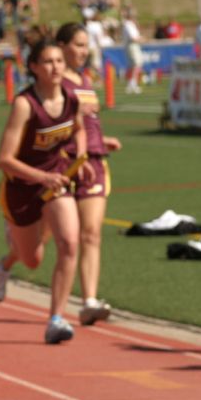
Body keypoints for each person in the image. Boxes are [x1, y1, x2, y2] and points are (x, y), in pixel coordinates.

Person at [0, 39, 92, 344]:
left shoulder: (72, 99)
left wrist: (80, 157)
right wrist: (42, 177)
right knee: (32, 259)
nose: (56, 67)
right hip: (22, 188)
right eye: (48, 62)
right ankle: (7, 262)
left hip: (57, 183)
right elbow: (4, 160)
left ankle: (56, 318)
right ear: (34, 67)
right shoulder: (25, 105)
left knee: (70, 244)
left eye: (59, 61)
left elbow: (79, 129)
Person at [56, 22, 122, 326]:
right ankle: (10, 260)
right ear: (62, 46)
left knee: (91, 233)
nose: (83, 51)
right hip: (62, 165)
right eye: (78, 44)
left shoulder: (85, 80)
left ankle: (89, 301)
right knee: (39, 243)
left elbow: (89, 124)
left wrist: (101, 141)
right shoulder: (54, 83)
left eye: (86, 45)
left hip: (94, 163)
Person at [121, 11, 143, 94]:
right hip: (132, 46)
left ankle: (132, 83)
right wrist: (141, 39)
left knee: (134, 65)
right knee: (136, 64)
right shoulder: (128, 25)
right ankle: (132, 84)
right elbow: (133, 38)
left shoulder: (131, 25)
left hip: (132, 46)